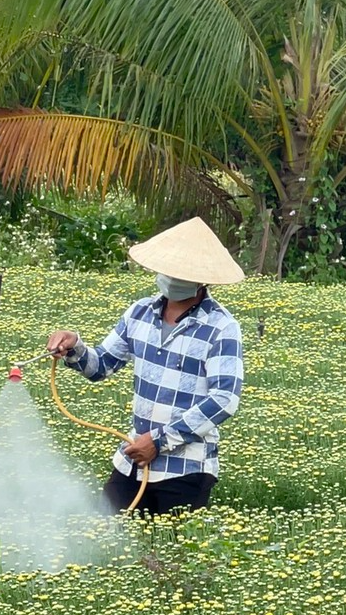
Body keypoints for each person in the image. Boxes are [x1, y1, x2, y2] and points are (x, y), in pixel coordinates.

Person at [45, 217, 244, 515]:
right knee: (106, 540)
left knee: (172, 556)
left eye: (182, 272)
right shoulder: (139, 312)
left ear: (201, 279)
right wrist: (75, 347)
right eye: (169, 269)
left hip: (186, 469)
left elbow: (224, 399)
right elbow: (102, 366)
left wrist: (159, 440)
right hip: (133, 460)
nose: (172, 277)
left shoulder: (221, 327)